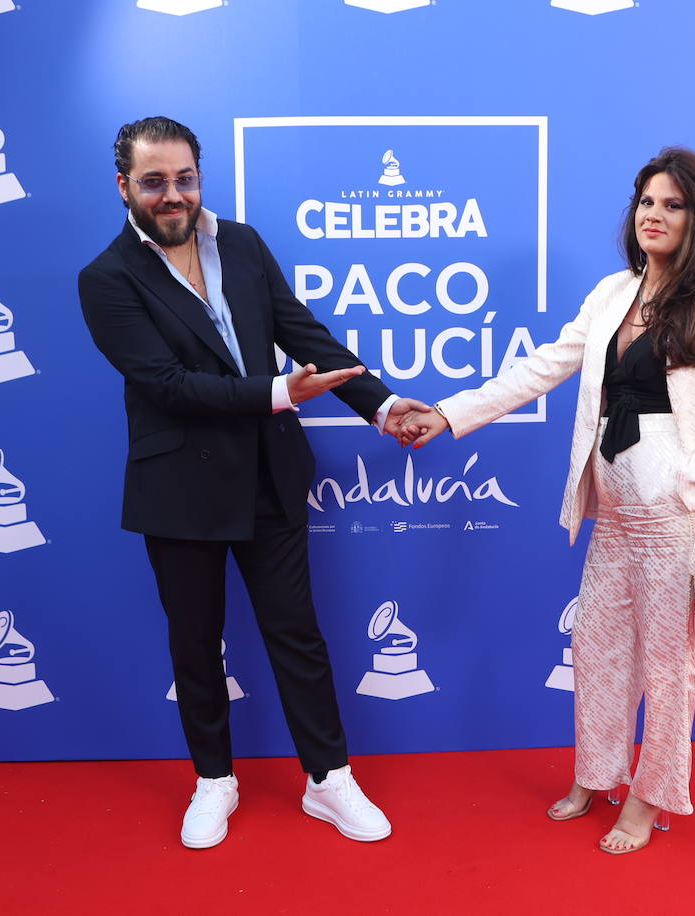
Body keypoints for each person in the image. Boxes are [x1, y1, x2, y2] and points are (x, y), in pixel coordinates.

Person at [402, 148, 695, 854]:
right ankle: (597, 772)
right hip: (615, 510)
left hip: (678, 513)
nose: (655, 216)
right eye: (646, 202)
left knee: (670, 665)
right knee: (598, 647)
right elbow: (542, 366)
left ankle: (649, 795)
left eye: (672, 205)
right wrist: (452, 414)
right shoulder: (614, 294)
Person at [78, 116, 427, 850]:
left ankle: (328, 780)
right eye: (153, 182)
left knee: (297, 634)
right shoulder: (106, 280)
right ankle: (214, 781)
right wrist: (278, 394)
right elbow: (167, 384)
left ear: (198, 177)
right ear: (124, 187)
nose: (171, 195)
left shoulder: (241, 242)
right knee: (196, 644)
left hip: (270, 473)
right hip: (178, 487)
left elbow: (305, 333)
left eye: (183, 179)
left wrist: (385, 404)